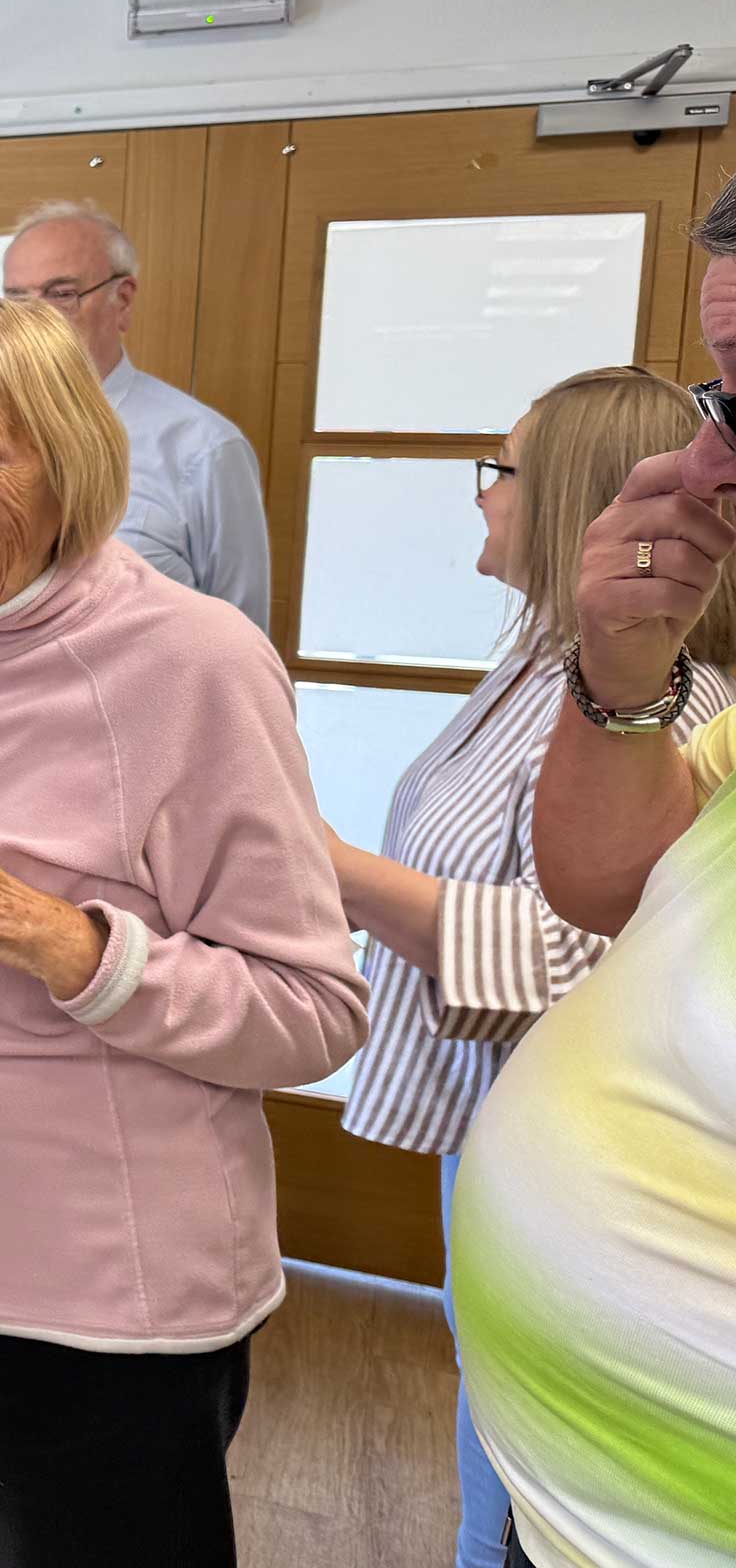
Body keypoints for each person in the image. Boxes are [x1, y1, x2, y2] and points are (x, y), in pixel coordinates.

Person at [0, 296, 366, 1565]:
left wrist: (63, 940)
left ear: (68, 463)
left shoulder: (195, 662)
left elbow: (314, 1012)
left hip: (103, 1293)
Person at [327, 366, 736, 1568]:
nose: (480, 499)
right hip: (515, 1164)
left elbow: (581, 948)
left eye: (499, 471)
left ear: (567, 495)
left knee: (499, 1523)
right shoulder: (561, 671)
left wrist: (330, 867)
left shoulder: (682, 705)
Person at [450, 185, 736, 1568]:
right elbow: (612, 892)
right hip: (574, 1505)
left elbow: (554, 955)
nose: (712, 467)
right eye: (720, 398)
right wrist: (621, 677)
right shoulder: (627, 681)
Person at [1, 200, 272, 631]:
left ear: (122, 300)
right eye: (17, 298)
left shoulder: (202, 448)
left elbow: (243, 633)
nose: (35, 319)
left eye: (62, 294)